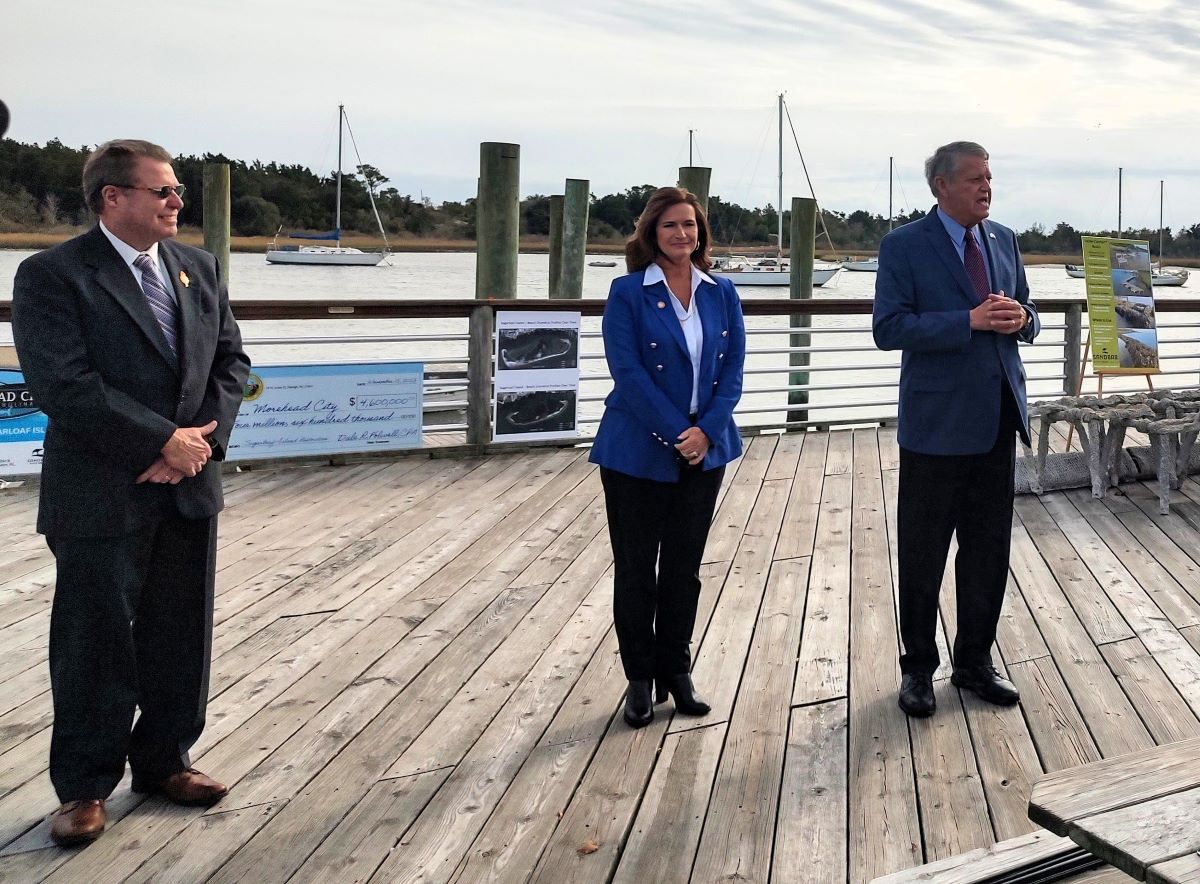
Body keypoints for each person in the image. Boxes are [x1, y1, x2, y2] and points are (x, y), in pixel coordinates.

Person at [11, 139, 250, 845]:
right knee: (94, 642)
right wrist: (158, 442)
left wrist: (194, 448)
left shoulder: (197, 268)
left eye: (177, 191)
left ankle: (165, 760)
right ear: (113, 197)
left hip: (187, 485)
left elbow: (231, 362)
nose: (178, 201)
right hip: (99, 492)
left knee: (181, 634)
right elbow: (64, 384)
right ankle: (84, 788)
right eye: (164, 191)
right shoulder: (53, 275)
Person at [873, 141, 1040, 718]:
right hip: (937, 426)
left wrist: (1023, 318)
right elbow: (888, 328)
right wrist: (967, 321)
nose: (985, 188)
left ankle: (974, 663)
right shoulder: (903, 246)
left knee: (988, 551)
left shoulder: (1003, 240)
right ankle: (918, 668)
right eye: (974, 179)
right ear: (941, 186)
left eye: (989, 177)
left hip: (996, 418)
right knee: (923, 553)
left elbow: (1028, 312)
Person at [589, 187, 745, 728]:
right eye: (671, 226)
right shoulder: (628, 292)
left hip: (706, 450)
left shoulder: (721, 292)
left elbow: (733, 373)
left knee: (684, 568)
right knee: (637, 569)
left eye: (691, 225)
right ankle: (638, 679)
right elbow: (627, 374)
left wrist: (706, 433)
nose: (683, 234)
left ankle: (677, 673)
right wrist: (681, 432)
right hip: (637, 451)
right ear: (651, 234)